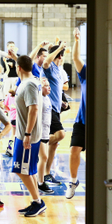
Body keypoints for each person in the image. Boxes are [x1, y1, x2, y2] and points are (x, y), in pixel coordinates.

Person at [8, 54, 46, 217]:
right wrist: (16, 57)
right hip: (23, 133)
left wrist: (28, 134)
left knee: (21, 170)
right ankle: (36, 201)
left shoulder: (29, 84)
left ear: (19, 68)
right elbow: (25, 63)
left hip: (27, 135)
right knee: (26, 170)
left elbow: (34, 109)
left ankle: (38, 202)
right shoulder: (30, 79)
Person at [42, 41, 68, 186]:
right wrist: (59, 48)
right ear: (60, 56)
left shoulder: (59, 70)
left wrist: (61, 102)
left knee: (55, 143)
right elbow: (46, 61)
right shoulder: (50, 67)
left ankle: (46, 173)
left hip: (56, 108)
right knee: (61, 134)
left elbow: (58, 89)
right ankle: (37, 146)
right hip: (48, 108)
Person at [66, 28, 87, 199]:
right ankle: (73, 182)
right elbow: (75, 58)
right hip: (82, 121)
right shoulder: (86, 73)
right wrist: (77, 39)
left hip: (99, 123)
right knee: (74, 150)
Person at [37, 78, 54, 194]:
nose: (49, 87)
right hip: (39, 133)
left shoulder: (47, 98)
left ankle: (39, 180)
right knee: (43, 157)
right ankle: (40, 183)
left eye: (49, 85)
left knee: (43, 157)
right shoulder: (39, 99)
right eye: (46, 86)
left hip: (46, 131)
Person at [4, 89, 17, 157]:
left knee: (13, 134)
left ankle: (9, 149)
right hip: (19, 117)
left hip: (12, 117)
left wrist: (10, 110)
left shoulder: (9, 95)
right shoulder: (21, 93)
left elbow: (5, 105)